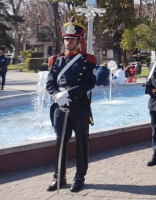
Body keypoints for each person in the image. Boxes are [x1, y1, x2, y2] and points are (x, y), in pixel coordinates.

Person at [45, 17, 96, 192]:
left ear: (78, 40)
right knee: (60, 141)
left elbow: (89, 83)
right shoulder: (55, 60)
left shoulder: (88, 60)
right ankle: (58, 177)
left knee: (81, 141)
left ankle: (79, 177)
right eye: (66, 39)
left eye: (72, 39)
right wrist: (57, 95)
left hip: (79, 105)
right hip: (60, 105)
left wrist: (69, 93)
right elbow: (49, 84)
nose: (68, 42)